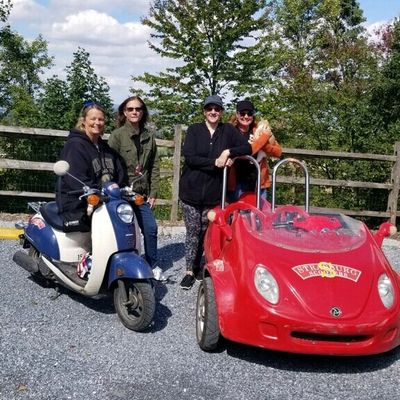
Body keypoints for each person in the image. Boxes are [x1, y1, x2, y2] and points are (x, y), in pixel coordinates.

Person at [178, 95, 252, 290]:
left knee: (206, 231)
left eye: (217, 109)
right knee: (193, 231)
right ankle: (189, 271)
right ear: (204, 111)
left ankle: (200, 265)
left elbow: (247, 147)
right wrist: (215, 162)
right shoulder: (195, 130)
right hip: (191, 191)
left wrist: (229, 153)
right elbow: (190, 157)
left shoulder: (227, 131)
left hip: (213, 193)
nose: (213, 112)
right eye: (210, 109)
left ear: (221, 112)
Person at [56, 101, 126, 231]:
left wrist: (121, 189)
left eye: (101, 119)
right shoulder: (75, 146)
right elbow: (76, 178)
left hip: (106, 202)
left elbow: (120, 172)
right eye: (93, 119)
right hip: (79, 204)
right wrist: (95, 192)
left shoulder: (105, 148)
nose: (97, 123)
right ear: (83, 121)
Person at [108, 96, 160, 269]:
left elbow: (154, 166)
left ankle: (151, 266)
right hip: (120, 194)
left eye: (138, 109)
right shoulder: (117, 136)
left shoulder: (149, 137)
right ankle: (120, 266)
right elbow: (109, 165)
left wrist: (153, 193)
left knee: (151, 229)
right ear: (124, 112)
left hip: (140, 195)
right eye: (130, 109)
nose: (134, 112)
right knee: (123, 232)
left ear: (143, 112)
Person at [228, 100, 282, 200]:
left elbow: (278, 152)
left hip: (259, 183)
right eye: (242, 113)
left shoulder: (259, 129)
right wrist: (264, 138)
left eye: (249, 113)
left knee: (259, 210)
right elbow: (247, 151)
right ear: (237, 114)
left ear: (253, 115)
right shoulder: (230, 131)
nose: (246, 116)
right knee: (237, 209)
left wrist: (263, 145)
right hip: (237, 183)